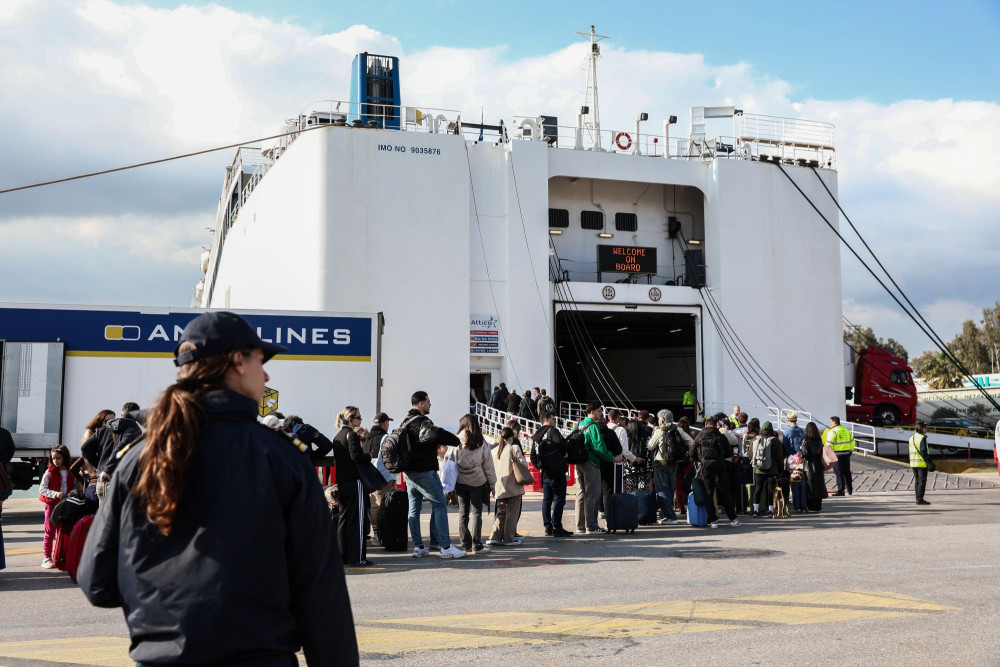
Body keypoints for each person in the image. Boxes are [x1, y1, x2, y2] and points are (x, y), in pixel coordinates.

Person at [77, 310, 358, 665]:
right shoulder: (281, 458)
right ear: (238, 361)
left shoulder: (137, 459)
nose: (266, 375)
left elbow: (97, 582)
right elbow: (322, 597)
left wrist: (164, 611)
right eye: (261, 361)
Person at [401, 391, 465, 559]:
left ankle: (418, 547)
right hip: (424, 471)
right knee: (440, 504)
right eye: (428, 402)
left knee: (414, 509)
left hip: (409, 473)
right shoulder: (422, 422)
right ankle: (446, 547)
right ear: (420, 404)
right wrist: (456, 440)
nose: (430, 404)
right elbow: (436, 434)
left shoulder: (405, 422)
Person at [328, 406, 369, 566]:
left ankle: (343, 555)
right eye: (358, 417)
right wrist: (367, 457)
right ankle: (358, 557)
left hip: (342, 482)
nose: (361, 420)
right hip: (354, 481)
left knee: (344, 519)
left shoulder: (338, 436)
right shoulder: (351, 435)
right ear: (351, 419)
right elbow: (356, 456)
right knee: (357, 520)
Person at [81, 401, 142, 504]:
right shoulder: (134, 429)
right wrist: (108, 470)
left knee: (104, 514)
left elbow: (85, 448)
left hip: (101, 482)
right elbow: (121, 449)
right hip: (118, 482)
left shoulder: (104, 429)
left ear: (122, 415)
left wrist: (100, 466)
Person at [455, 414, 496, 553]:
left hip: (461, 480)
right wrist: (492, 484)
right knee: (477, 513)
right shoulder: (480, 441)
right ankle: (477, 545)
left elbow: (450, 460)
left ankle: (465, 545)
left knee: (463, 513)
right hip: (477, 481)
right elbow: (488, 465)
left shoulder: (457, 440)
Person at [690, 415, 740, 528]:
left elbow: (691, 452)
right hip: (720, 469)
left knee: (709, 494)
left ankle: (713, 521)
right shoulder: (720, 436)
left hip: (705, 469)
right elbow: (729, 452)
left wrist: (701, 459)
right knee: (725, 493)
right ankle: (733, 519)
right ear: (715, 425)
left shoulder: (699, 436)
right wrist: (720, 458)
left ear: (706, 425)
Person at [530, 408, 572, 536]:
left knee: (547, 500)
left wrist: (541, 466)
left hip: (545, 472)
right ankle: (557, 526)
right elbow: (563, 445)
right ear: (547, 420)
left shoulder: (536, 435)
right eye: (553, 419)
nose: (555, 421)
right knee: (560, 499)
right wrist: (563, 455)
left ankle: (548, 527)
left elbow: (533, 456)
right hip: (557, 471)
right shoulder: (552, 431)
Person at [647, 409, 692, 525]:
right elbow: (691, 442)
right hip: (674, 463)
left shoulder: (659, 431)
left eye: (659, 419)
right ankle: (667, 514)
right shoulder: (678, 429)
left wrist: (653, 435)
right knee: (671, 489)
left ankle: (669, 516)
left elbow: (650, 446)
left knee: (662, 490)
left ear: (662, 420)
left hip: (660, 463)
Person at [576, 401, 614, 534]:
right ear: (592, 412)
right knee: (592, 494)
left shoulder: (580, 424)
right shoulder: (593, 426)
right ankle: (591, 526)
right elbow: (599, 447)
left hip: (579, 462)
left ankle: (580, 525)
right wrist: (611, 456)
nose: (601, 414)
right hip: (591, 463)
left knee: (581, 493)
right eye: (599, 411)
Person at [487, 426, 528, 546]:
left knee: (501, 513)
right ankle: (509, 539)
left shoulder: (494, 451)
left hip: (499, 487)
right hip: (513, 486)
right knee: (512, 514)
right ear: (511, 438)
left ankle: (494, 537)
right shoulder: (513, 448)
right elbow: (524, 464)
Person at [39, 445, 74, 569]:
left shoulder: (71, 472)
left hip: (65, 505)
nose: (55, 461)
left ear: (65, 457)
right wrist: (55, 494)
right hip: (51, 505)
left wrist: (73, 492)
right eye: (53, 458)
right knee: (49, 531)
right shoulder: (49, 472)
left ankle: (59, 556)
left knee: (62, 531)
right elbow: (42, 489)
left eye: (58, 458)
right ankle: (46, 558)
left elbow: (76, 487)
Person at [751, 421, 783, 517]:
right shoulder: (775, 441)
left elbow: (750, 454)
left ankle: (755, 510)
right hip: (771, 469)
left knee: (758, 488)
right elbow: (780, 457)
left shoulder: (755, 440)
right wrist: (780, 470)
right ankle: (770, 511)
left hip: (758, 469)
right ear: (771, 430)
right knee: (770, 490)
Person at [799, 422, 828, 512]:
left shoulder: (806, 441)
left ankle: (811, 506)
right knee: (819, 485)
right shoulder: (819, 440)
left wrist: (800, 453)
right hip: (818, 465)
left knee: (810, 487)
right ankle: (818, 506)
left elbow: (804, 454)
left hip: (809, 466)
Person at [826, 416, 856, 496]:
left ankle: (841, 490)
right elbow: (852, 442)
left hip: (836, 455)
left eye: (831, 422)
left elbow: (829, 444)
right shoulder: (847, 430)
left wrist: (829, 455)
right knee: (847, 472)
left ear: (835, 422)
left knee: (839, 473)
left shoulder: (832, 432)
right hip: (846, 454)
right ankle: (850, 490)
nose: (830, 424)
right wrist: (850, 451)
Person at [909, 421, 935, 505]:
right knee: (922, 481)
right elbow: (923, 451)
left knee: (917, 481)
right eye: (926, 428)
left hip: (913, 463)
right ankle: (920, 499)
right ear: (922, 429)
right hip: (921, 463)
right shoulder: (922, 438)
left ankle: (918, 498)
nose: (927, 429)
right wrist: (929, 461)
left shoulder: (911, 438)